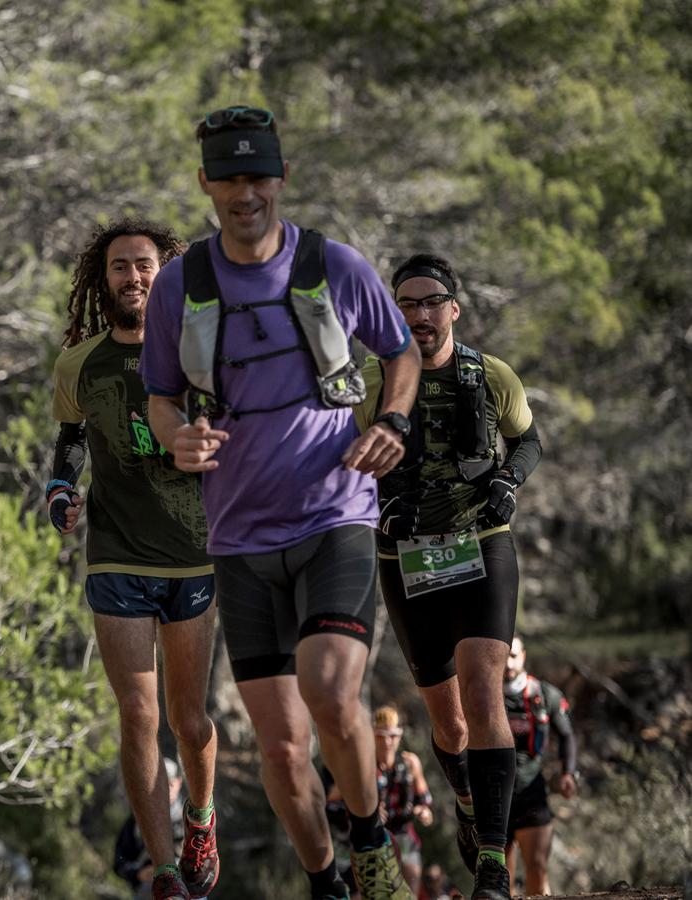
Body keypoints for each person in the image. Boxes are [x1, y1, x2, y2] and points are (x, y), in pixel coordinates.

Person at [141, 104, 422, 900]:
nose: (245, 193)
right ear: (205, 183)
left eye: (258, 175)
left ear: (283, 177)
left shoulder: (335, 266)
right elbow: (162, 397)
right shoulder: (179, 286)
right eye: (228, 178)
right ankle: (327, 881)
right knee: (282, 748)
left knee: (334, 696)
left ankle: (370, 843)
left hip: (336, 515)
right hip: (240, 540)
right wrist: (175, 439)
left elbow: (399, 354)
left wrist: (393, 421)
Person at [355, 253, 543, 900]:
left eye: (430, 301)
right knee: (450, 725)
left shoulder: (491, 376)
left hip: (481, 546)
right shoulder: (373, 383)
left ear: (454, 309)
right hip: (406, 559)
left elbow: (527, 441)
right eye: (405, 304)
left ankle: (493, 861)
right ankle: (467, 798)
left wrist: (508, 485)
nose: (419, 315)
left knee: (484, 692)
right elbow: (339, 463)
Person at [50, 219, 219, 900]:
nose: (133, 278)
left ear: (166, 274)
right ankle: (166, 868)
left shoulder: (198, 353)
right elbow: (69, 443)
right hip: (115, 558)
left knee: (192, 719)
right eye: (120, 267)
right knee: (138, 717)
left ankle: (201, 819)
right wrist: (60, 492)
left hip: (193, 558)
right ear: (103, 278)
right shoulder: (79, 364)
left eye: (145, 266)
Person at [322, 707, 433, 899]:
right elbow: (329, 805)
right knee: (353, 889)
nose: (387, 742)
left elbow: (424, 800)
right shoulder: (360, 767)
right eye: (381, 736)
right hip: (359, 835)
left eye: (393, 736)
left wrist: (423, 811)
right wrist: (360, 811)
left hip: (399, 833)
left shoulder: (409, 764)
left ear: (400, 735)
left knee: (410, 874)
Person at [503, 636, 578, 897]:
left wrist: (568, 773)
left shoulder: (544, 695)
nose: (508, 662)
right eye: (502, 656)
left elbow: (567, 735)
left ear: (523, 656)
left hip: (532, 795)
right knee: (500, 880)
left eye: (513, 655)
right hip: (492, 800)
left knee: (538, 870)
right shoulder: (482, 695)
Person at [115, 757, 188, 899]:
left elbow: (204, 867)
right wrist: (138, 873)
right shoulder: (138, 820)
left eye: (170, 784)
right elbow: (119, 862)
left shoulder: (190, 818)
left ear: (179, 783)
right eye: (159, 784)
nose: (165, 789)